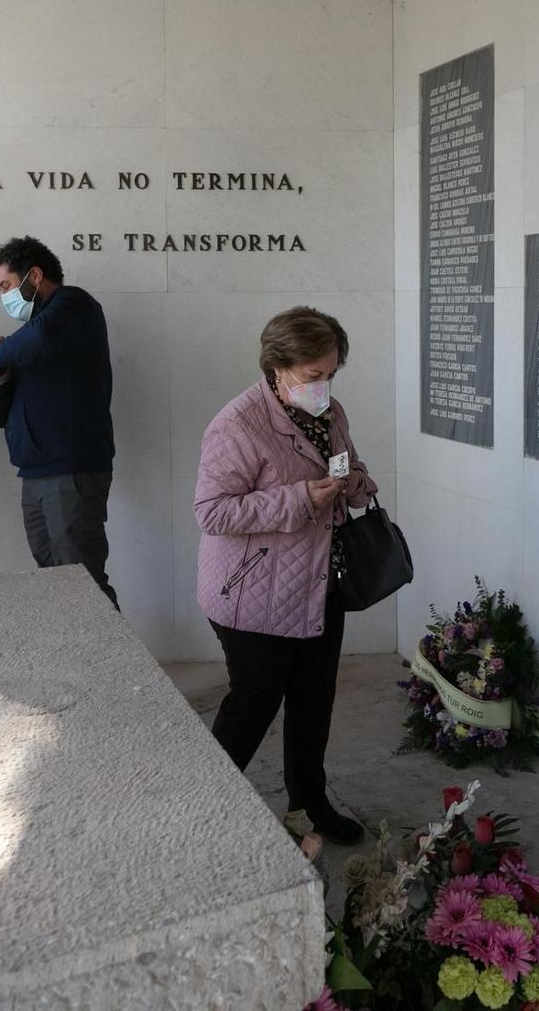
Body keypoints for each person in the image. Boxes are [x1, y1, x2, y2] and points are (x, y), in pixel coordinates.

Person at [193, 306, 375, 846]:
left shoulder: (330, 413)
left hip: (320, 584)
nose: (324, 386)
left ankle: (310, 803)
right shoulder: (237, 424)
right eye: (313, 375)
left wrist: (354, 484)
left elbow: (347, 466)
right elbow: (213, 512)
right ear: (278, 366)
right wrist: (298, 498)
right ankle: (206, 809)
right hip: (253, 592)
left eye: (332, 374)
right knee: (253, 705)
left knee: (314, 702)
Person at [0, 236, 116, 605]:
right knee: (55, 581)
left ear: (34, 275)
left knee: (82, 581)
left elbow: (40, 335)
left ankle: (112, 662)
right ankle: (74, 660)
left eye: (6, 286)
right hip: (35, 471)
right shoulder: (36, 333)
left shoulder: (73, 305)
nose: (4, 297)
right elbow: (28, 398)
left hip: (71, 469)